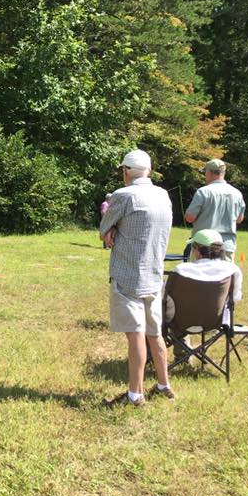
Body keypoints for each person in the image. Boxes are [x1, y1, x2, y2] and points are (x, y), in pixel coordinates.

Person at [99, 149, 173, 407]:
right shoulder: (163, 195)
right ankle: (164, 385)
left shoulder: (123, 195)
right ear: (149, 170)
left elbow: (103, 230)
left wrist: (112, 226)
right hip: (154, 273)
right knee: (155, 333)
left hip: (128, 274)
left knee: (136, 336)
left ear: (126, 172)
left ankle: (134, 395)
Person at [165, 229, 243, 325]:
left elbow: (165, 295)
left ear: (197, 250)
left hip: (179, 321)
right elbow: (235, 297)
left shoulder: (181, 270)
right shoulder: (232, 270)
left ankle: (179, 338)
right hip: (215, 321)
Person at [184, 158, 246, 261]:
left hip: (203, 246)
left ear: (210, 172)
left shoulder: (203, 192)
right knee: (224, 276)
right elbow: (239, 219)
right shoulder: (237, 193)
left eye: (206, 172)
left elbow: (190, 217)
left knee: (200, 276)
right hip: (227, 245)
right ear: (223, 173)